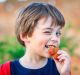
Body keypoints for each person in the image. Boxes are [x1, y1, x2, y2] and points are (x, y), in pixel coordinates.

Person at [0, 2, 71, 75]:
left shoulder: (60, 68)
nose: (55, 38)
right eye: (47, 32)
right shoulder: (5, 70)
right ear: (25, 36)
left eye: (58, 33)